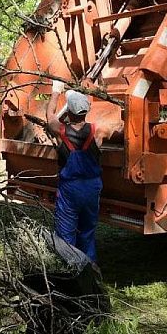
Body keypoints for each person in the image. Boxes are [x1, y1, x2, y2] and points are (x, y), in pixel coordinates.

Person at [45, 81, 103, 263]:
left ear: (68, 112)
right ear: (86, 111)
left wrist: (56, 91)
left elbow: (50, 116)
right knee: (87, 231)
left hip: (71, 189)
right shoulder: (97, 131)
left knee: (66, 232)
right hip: (92, 187)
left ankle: (70, 268)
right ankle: (89, 267)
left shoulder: (61, 131)